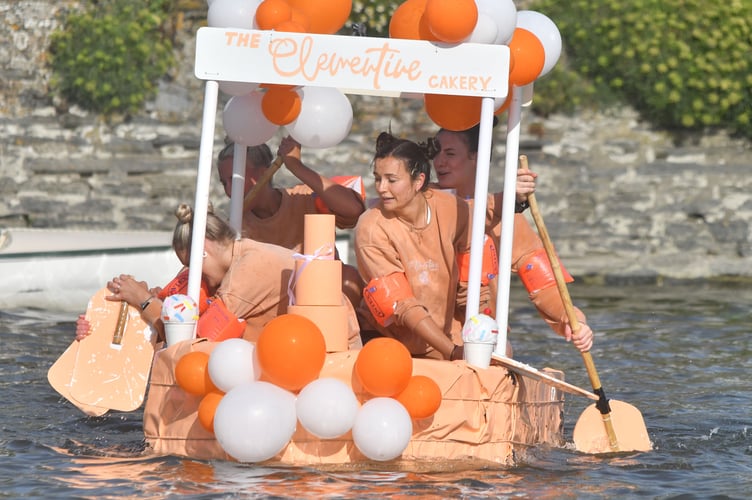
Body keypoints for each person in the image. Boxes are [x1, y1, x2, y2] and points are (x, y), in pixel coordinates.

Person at [77, 204, 362, 349]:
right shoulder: (232, 264)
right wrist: (99, 329)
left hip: (325, 359)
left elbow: (195, 338)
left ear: (205, 249)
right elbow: (168, 329)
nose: (192, 278)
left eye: (190, 264)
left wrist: (144, 301)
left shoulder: (249, 267)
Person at [354, 131, 531, 361]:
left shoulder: (452, 208)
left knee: (500, 349)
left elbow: (472, 272)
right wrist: (453, 352)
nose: (381, 188)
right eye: (378, 178)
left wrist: (483, 325)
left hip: (444, 338)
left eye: (391, 180)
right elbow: (403, 306)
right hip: (388, 342)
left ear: (418, 181)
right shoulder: (369, 227)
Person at [432, 124, 593, 352]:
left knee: (503, 348)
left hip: (479, 341)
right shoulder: (422, 203)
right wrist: (508, 200)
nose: (439, 162)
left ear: (477, 158)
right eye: (435, 153)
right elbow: (462, 213)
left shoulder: (509, 218)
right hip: (427, 335)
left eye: (449, 154)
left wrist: (574, 321)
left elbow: (545, 286)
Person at [216, 136, 366, 308]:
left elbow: (354, 209)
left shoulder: (303, 197)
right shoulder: (235, 227)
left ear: (264, 172)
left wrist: (295, 166)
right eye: (224, 183)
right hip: (274, 307)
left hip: (322, 299)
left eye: (235, 180)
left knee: (349, 279)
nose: (229, 190)